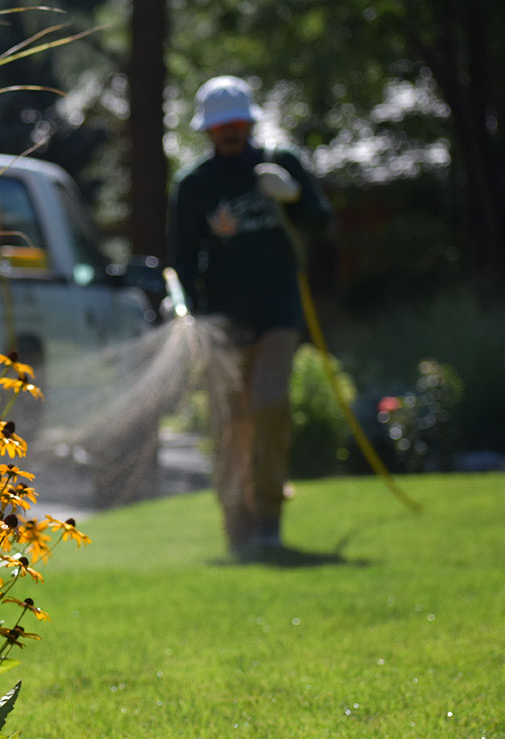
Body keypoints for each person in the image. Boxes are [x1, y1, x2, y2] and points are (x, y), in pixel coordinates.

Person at [168, 75, 333, 555]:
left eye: (236, 122)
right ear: (208, 131)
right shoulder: (194, 185)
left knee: (269, 404)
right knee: (229, 427)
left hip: (278, 312)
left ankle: (268, 520)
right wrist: (185, 312)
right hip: (222, 325)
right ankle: (237, 528)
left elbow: (322, 222)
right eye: (221, 126)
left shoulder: (281, 164)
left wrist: (294, 197)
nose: (230, 132)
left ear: (250, 122)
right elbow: (180, 260)